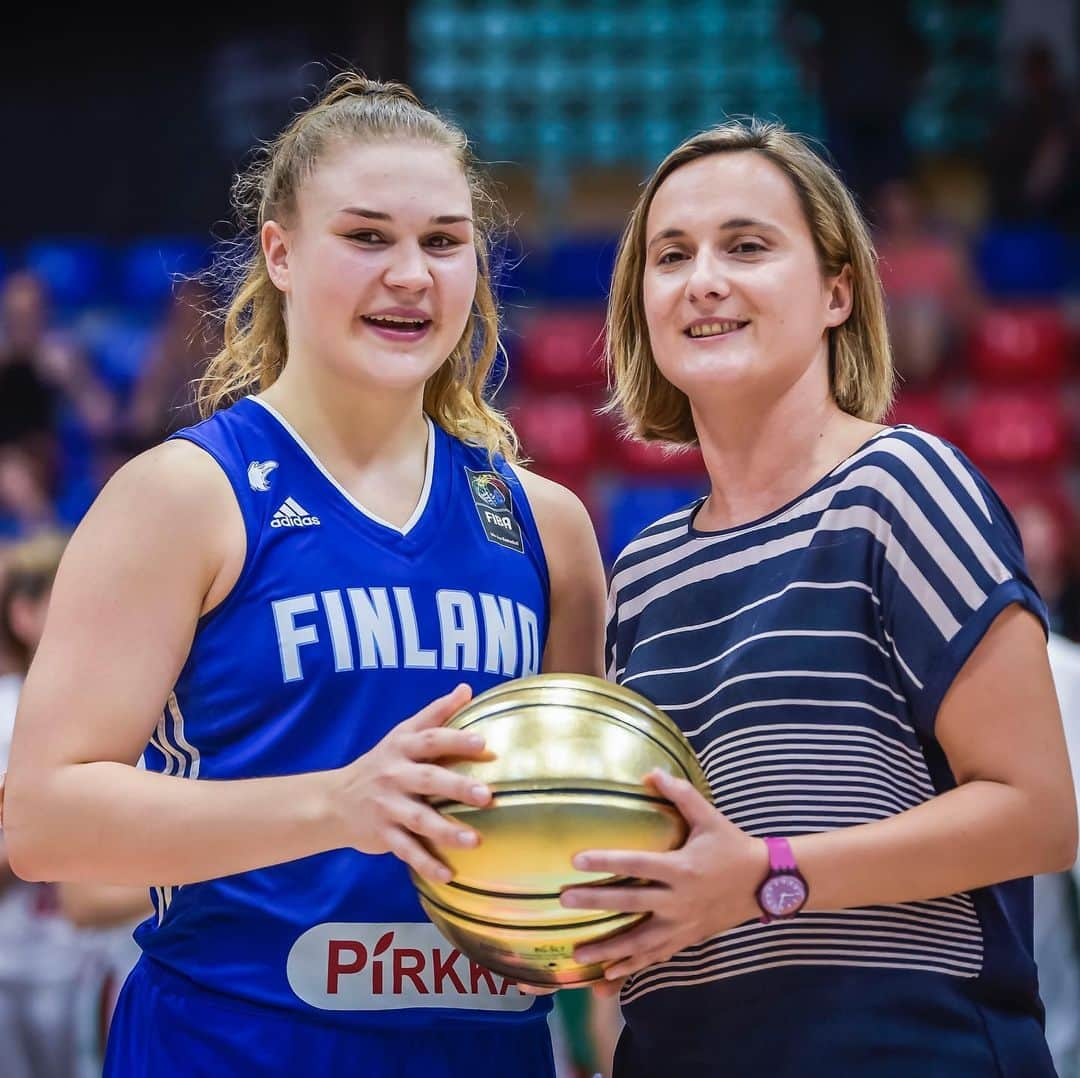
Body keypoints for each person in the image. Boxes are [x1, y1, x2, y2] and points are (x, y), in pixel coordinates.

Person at [2, 73, 606, 1077]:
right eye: (367, 237)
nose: (411, 274)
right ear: (279, 254)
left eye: (443, 241)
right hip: (233, 1044)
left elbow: (569, 835)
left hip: (486, 1049)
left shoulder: (548, 526)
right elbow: (42, 822)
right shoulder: (185, 496)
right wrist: (337, 802)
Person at [557, 119, 1076, 1075]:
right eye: (671, 256)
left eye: (747, 246)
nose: (703, 278)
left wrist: (768, 877)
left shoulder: (902, 487)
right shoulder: (642, 569)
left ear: (837, 290)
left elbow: (1037, 811)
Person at [0, 530, 91, 1078]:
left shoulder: (129, 703)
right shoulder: (5, 706)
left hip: (93, 956)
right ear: (24, 613)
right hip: (13, 959)